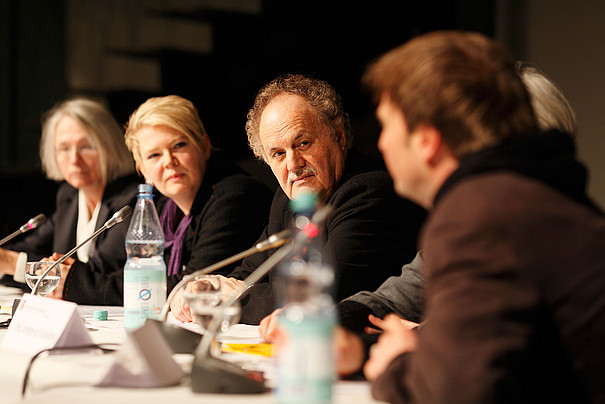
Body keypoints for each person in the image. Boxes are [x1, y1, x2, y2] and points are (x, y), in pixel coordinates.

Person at [360, 31, 605, 403]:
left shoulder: (480, 213)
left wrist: (398, 367)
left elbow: (457, 394)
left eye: (387, 124)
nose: (380, 143)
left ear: (426, 140)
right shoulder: (527, 196)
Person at [170, 74, 427, 324]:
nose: (293, 164)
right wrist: (209, 287)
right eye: (279, 154)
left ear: (338, 137)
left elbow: (321, 293)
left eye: (303, 143)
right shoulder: (287, 198)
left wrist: (229, 300)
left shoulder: (368, 191)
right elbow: (250, 274)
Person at [55, 95, 273, 305]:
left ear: (204, 145)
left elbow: (191, 284)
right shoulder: (162, 206)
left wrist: (79, 284)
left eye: (179, 146)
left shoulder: (234, 197)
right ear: (143, 170)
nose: (169, 162)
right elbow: (140, 272)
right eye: (154, 155)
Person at [0, 98, 139, 294]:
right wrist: (6, 259)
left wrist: (11, 263)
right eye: (64, 149)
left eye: (86, 147)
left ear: (109, 146)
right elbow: (28, 248)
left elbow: (97, 273)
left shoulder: (131, 201)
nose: (74, 159)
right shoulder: (69, 197)